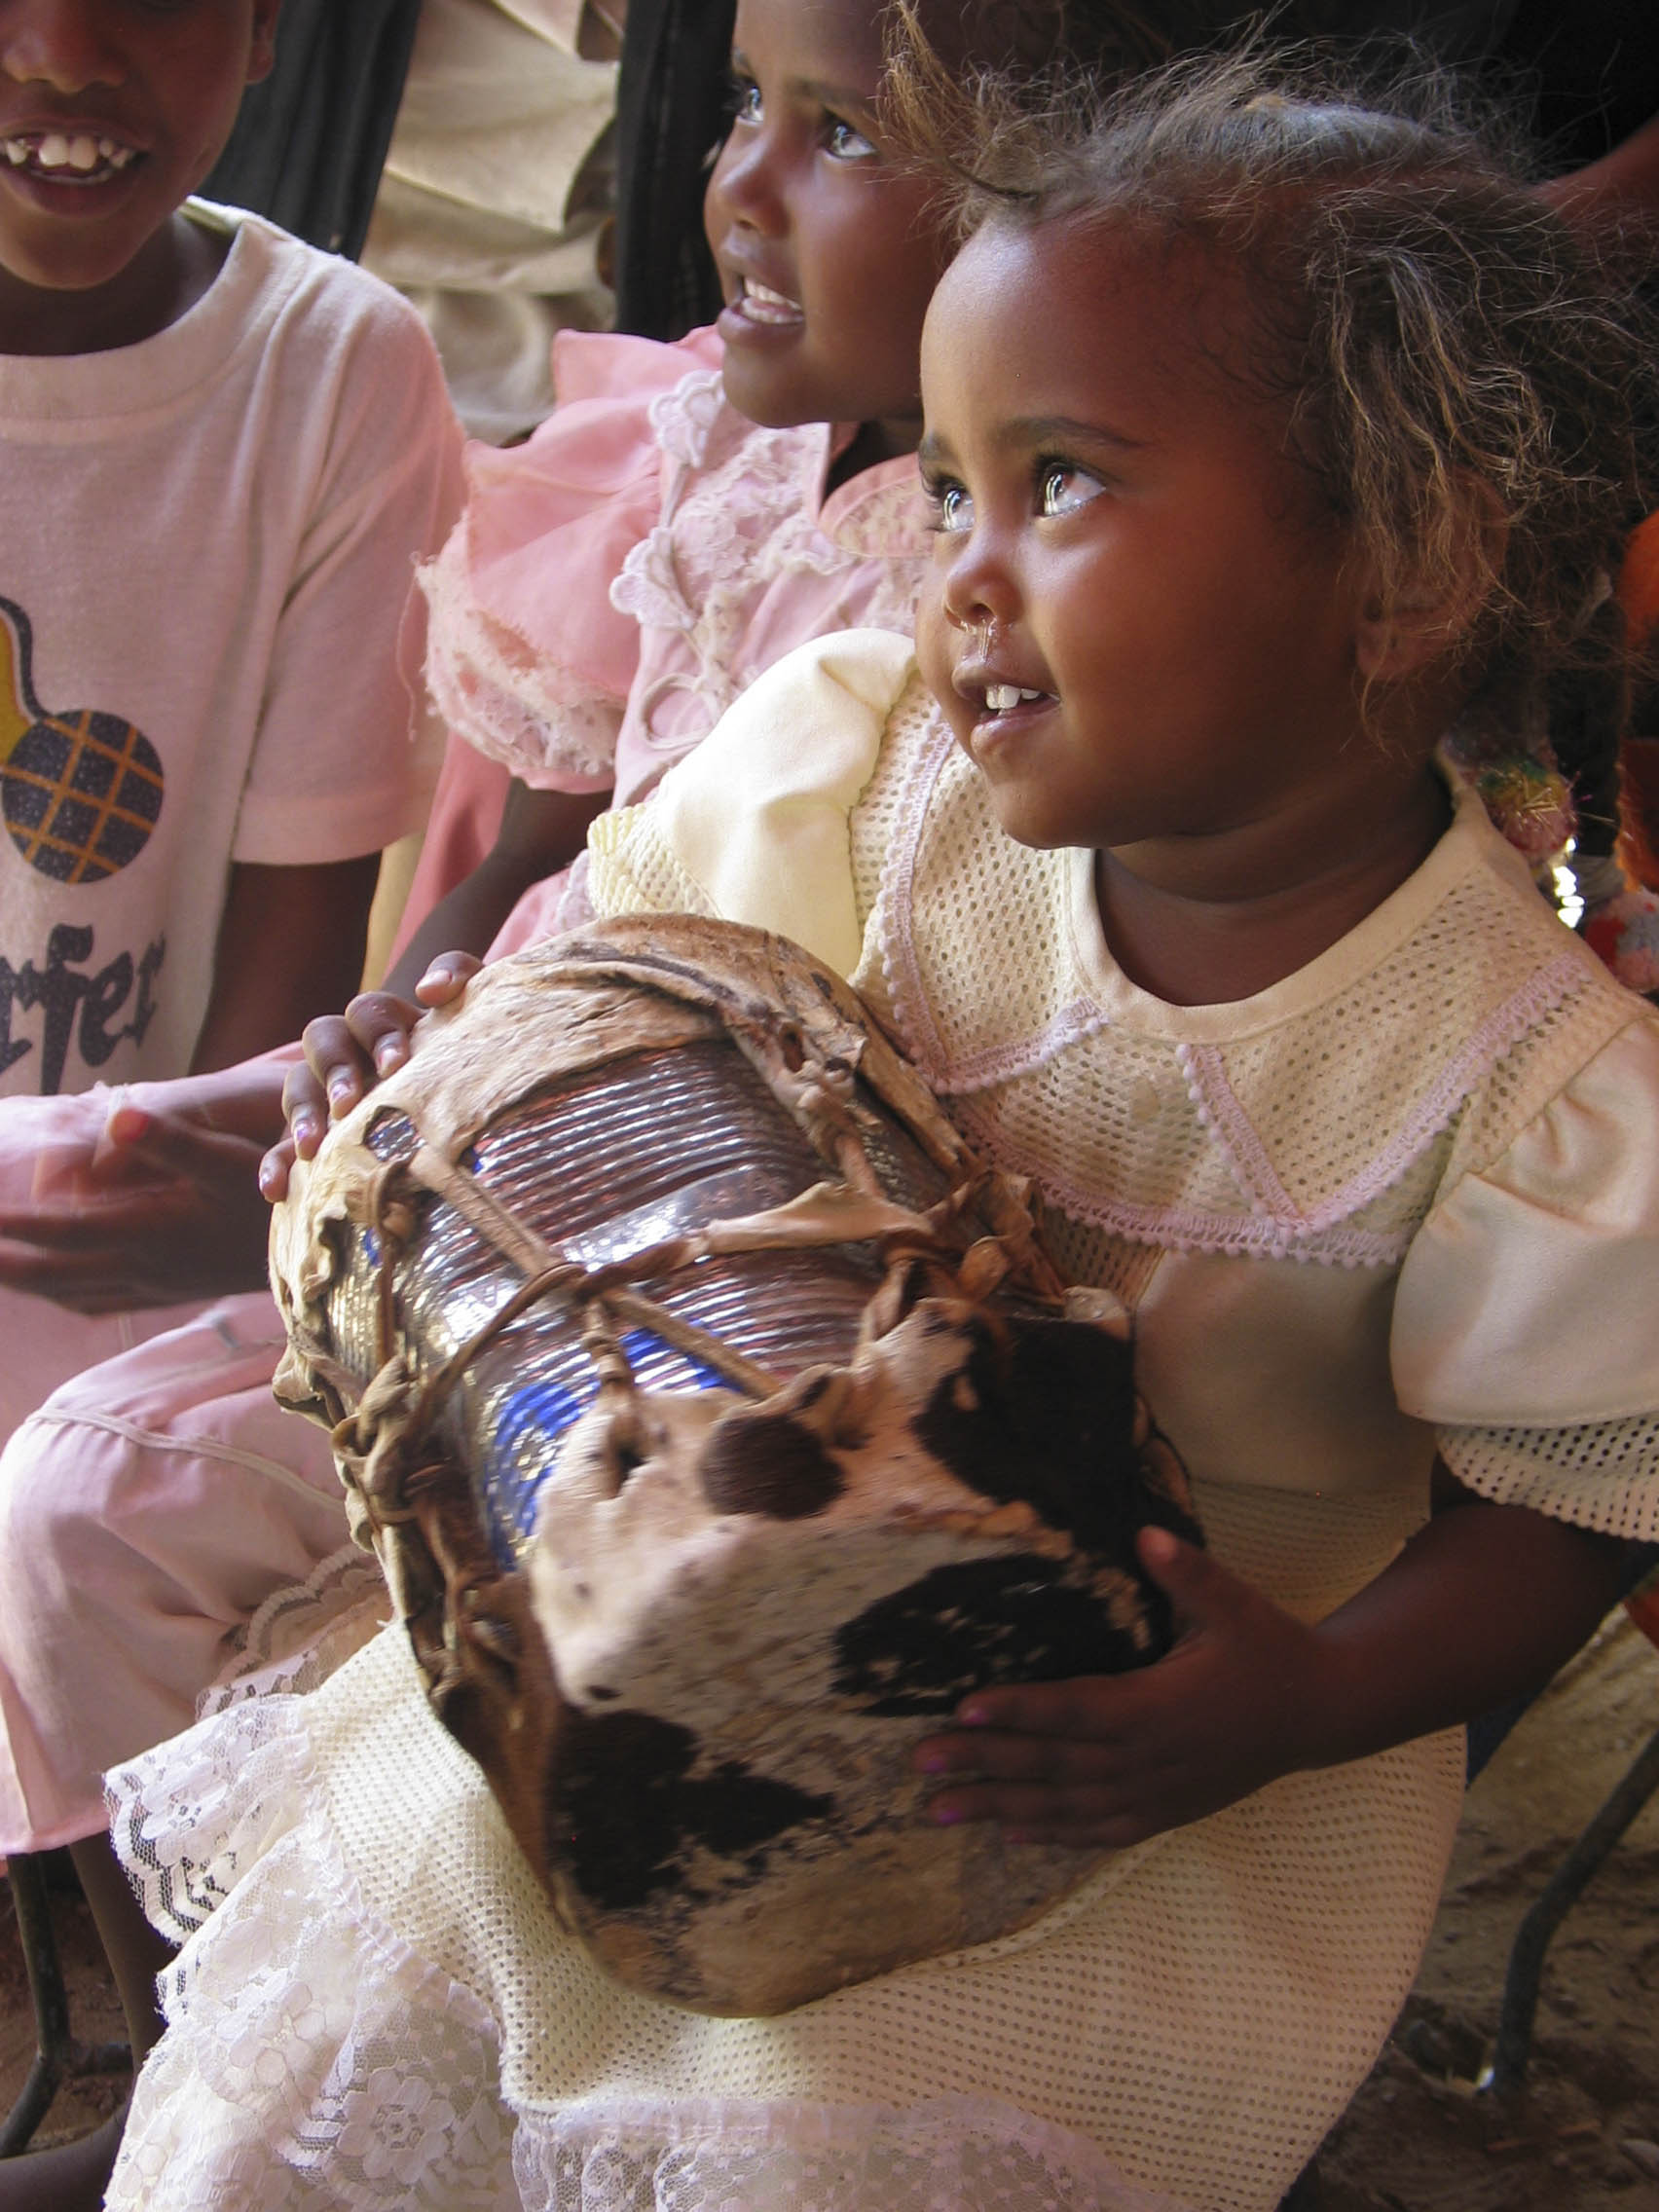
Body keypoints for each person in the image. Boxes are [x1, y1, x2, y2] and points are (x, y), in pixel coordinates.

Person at [96, 42, 1659, 2212]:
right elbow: (611, 1006)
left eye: (1062, 484)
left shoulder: (1517, 1076)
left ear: (1403, 567)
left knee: (821, 2142)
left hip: (1115, 1783)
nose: (962, 580)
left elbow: (1565, 1506)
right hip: (673, 1626)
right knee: (362, 2047)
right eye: (945, 492)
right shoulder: (862, 779)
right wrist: (427, 1057)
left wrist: (1304, 1698)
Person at [0, 0, 462, 2194]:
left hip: (105, 1209)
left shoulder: (330, 375)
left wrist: (162, 1212)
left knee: (104, 1474)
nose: (68, 53)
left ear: (270, 26)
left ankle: (181, 2080)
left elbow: (261, 1060)